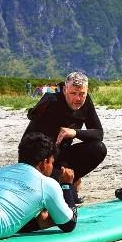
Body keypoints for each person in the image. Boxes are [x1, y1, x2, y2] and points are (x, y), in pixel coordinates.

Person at [23, 71, 106, 202]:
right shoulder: (52, 102)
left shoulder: (86, 102)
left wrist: (74, 132)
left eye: (82, 94)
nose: (78, 99)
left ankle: (70, 181)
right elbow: (30, 137)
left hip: (61, 155)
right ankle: (64, 185)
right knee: (68, 199)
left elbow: (98, 134)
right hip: (40, 160)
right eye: (73, 93)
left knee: (99, 148)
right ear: (65, 90)